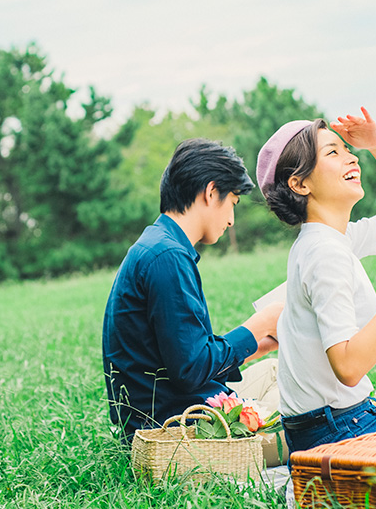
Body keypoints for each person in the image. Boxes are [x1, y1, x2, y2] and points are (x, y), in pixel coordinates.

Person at [255, 109, 376, 455]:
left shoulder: (333, 238)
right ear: (300, 184)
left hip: (332, 424)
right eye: (332, 152)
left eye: (347, 149)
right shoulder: (324, 252)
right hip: (337, 430)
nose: (350, 157)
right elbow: (348, 367)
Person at [103, 138, 283, 445]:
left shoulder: (158, 245)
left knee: (276, 371)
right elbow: (190, 369)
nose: (230, 220)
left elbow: (185, 356)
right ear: (211, 193)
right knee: (310, 413)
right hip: (177, 431)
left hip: (174, 410)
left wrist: (261, 343)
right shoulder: (167, 257)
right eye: (232, 204)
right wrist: (258, 325)